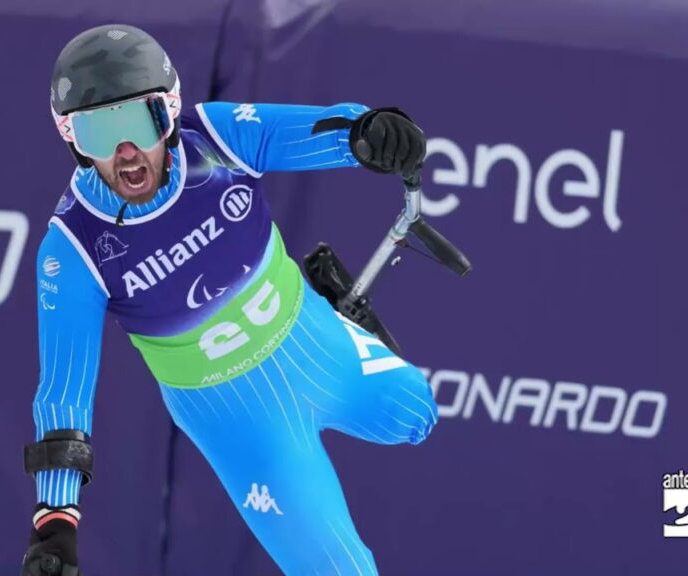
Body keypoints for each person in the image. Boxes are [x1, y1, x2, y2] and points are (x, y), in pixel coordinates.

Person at [22, 24, 437, 576]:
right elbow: (63, 395)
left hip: (311, 342)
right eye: (99, 132)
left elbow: (322, 130)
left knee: (415, 413)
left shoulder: (214, 138)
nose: (125, 152)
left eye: (140, 122)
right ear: (70, 139)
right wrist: (55, 521)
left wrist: (372, 131)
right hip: (236, 414)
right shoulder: (72, 248)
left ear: (170, 112)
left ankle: (339, 316)